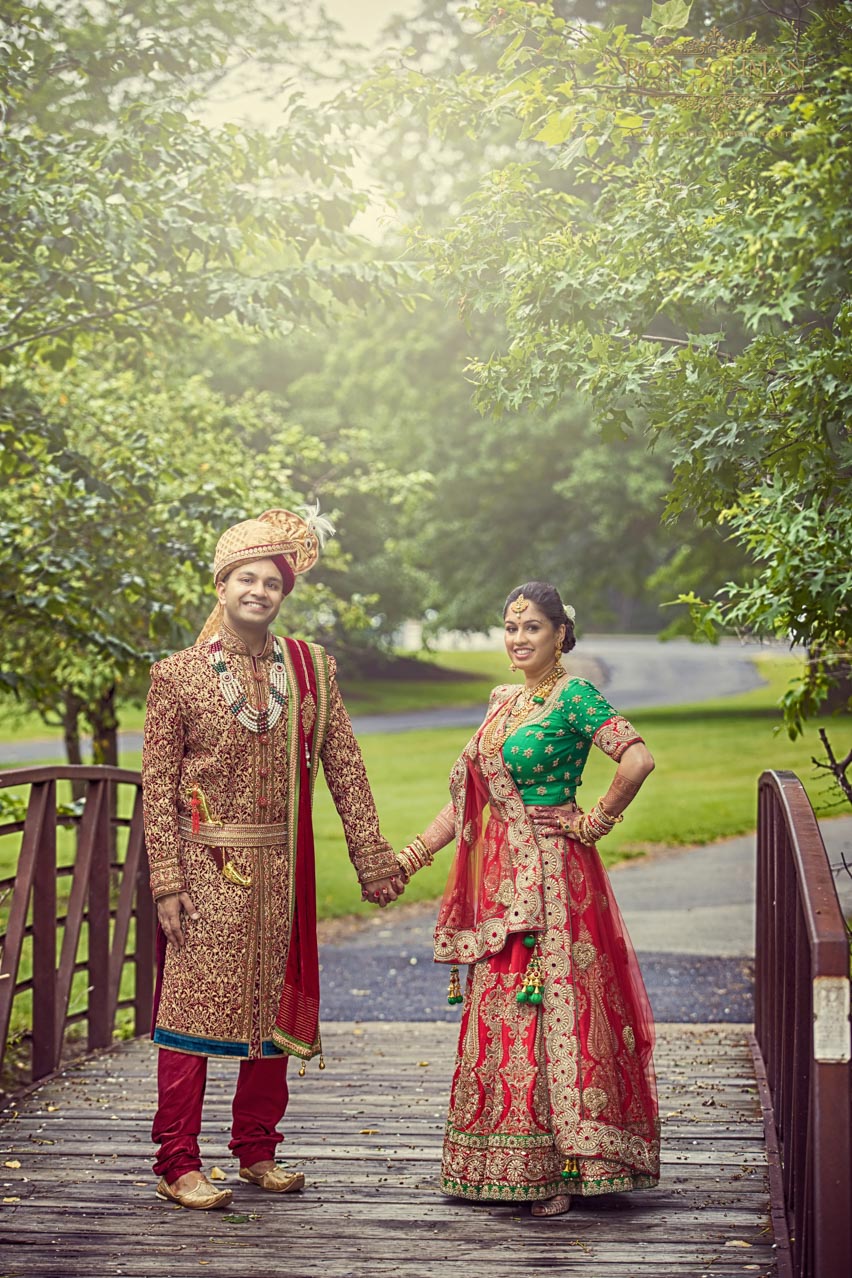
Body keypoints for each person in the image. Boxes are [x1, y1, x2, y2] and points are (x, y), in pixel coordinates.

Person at [143, 506, 403, 1210]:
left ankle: (256, 1148)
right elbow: (157, 787)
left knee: (271, 1010)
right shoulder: (177, 676)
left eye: (273, 583)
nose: (260, 591)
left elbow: (344, 764)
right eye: (247, 579)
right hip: (205, 872)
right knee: (190, 1015)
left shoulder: (310, 668)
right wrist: (166, 881)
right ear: (222, 586)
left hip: (282, 877)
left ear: (283, 594)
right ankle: (177, 1162)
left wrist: (371, 857)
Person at [392, 582, 660, 1217]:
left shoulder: (576, 696)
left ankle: (563, 1166)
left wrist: (592, 823)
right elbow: (466, 805)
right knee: (504, 1008)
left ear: (560, 634)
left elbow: (638, 761)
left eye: (532, 627)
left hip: (555, 879)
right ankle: (502, 1160)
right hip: (502, 884)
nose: (518, 638)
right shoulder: (502, 702)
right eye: (510, 627)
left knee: (553, 1012)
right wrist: (407, 858)